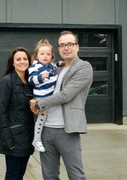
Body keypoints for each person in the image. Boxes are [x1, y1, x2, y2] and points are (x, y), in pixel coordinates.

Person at [29, 30, 93, 180]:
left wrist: (39, 103)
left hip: (67, 131)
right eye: (62, 45)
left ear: (77, 47)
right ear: (58, 49)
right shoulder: (55, 68)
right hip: (45, 130)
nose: (66, 48)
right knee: (49, 176)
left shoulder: (83, 67)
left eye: (70, 44)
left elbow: (66, 95)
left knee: (76, 175)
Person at [0, 47, 34, 180]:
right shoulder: (7, 82)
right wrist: (7, 140)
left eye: (25, 59)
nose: (22, 61)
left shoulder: (30, 82)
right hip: (13, 137)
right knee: (12, 176)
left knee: (20, 175)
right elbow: (1, 112)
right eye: (18, 59)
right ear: (12, 63)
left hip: (27, 137)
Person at [28, 39, 63, 152]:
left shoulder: (49, 66)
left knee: (46, 117)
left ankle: (40, 138)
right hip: (42, 97)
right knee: (42, 118)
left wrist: (59, 63)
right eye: (42, 54)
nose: (45, 56)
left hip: (49, 96)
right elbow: (31, 80)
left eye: (48, 54)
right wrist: (40, 77)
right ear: (36, 56)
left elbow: (54, 66)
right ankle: (36, 139)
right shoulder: (35, 67)